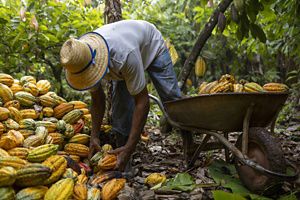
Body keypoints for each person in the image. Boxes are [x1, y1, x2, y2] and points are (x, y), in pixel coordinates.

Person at [60, 20, 195, 171]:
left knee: (172, 99)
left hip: (151, 45)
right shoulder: (79, 58)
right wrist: (94, 136)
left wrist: (130, 147)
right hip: (126, 54)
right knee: (121, 110)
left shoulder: (124, 56)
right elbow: (98, 100)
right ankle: (123, 161)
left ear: (97, 64)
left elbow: (142, 102)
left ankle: (189, 144)